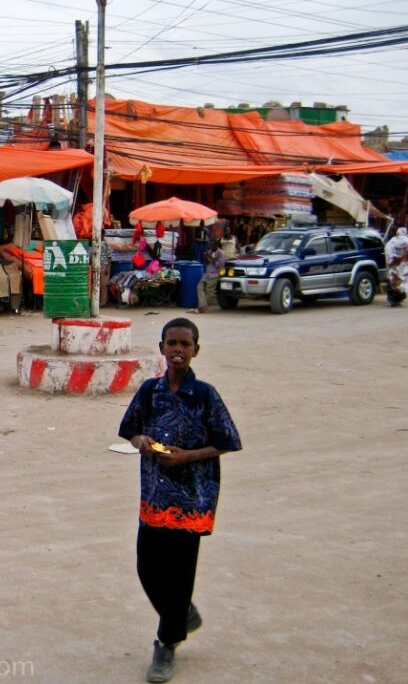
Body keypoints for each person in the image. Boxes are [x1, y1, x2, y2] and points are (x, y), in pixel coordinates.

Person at [118, 318, 242, 683]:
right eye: (171, 343)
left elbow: (227, 441)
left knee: (180, 574)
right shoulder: (148, 391)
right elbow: (131, 431)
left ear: (195, 350)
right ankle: (181, 613)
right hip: (155, 496)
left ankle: (166, 644)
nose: (177, 350)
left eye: (185, 344)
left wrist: (187, 456)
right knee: (147, 567)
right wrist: (141, 442)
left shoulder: (205, 395)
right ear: (161, 348)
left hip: (193, 498)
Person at [385, 227, 408, 306]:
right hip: (402, 265)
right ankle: (398, 298)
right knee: (403, 280)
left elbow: (387, 250)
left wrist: (391, 259)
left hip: (393, 264)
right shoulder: (407, 240)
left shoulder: (392, 241)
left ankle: (393, 299)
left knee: (392, 280)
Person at [194, 239, 225, 314]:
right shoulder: (210, 251)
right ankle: (203, 306)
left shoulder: (221, 253)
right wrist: (206, 257)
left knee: (209, 292)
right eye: (210, 246)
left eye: (212, 246)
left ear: (216, 245)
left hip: (214, 274)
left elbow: (219, 265)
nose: (210, 247)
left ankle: (202, 307)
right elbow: (208, 262)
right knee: (199, 287)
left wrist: (209, 256)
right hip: (207, 273)